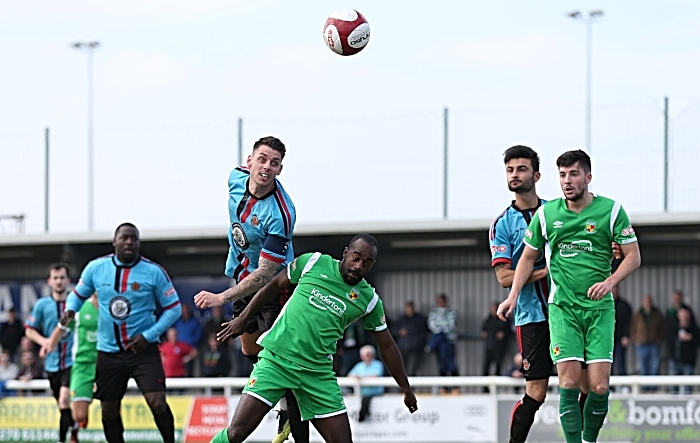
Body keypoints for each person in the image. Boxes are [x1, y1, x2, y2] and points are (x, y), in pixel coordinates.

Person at [209, 234, 418, 443]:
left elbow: (388, 346)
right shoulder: (313, 262)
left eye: (367, 263)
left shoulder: (369, 300)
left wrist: (406, 389)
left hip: (317, 374)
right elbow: (274, 285)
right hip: (276, 361)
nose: (359, 266)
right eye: (356, 258)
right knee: (236, 433)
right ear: (345, 253)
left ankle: (289, 418)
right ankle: (287, 416)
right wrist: (243, 319)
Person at [498, 149, 641, 443]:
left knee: (597, 387)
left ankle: (588, 439)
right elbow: (520, 263)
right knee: (556, 387)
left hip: (598, 310)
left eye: (573, 174)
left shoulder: (608, 211)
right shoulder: (533, 218)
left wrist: (611, 275)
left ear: (588, 177)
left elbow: (630, 254)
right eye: (562, 175)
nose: (567, 181)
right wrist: (513, 296)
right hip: (553, 310)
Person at [193, 136, 307, 443]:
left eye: (274, 163)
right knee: (249, 348)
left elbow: (266, 273)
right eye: (262, 159)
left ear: (281, 169)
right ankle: (282, 399)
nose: (267, 167)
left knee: (280, 359)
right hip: (242, 276)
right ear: (249, 161)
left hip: (275, 287)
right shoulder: (234, 178)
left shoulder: (281, 213)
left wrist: (220, 297)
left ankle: (293, 421)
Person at [61, 223, 182, 443]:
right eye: (124, 238)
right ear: (114, 241)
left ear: (139, 243)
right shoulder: (96, 268)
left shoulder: (153, 272)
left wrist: (148, 335)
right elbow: (78, 295)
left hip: (143, 350)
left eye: (133, 239)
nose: (128, 242)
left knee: (157, 402)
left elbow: (174, 308)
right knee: (108, 410)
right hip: (108, 352)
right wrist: (70, 309)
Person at [24, 263, 78, 443]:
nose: (59, 281)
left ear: (68, 280)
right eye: (55, 278)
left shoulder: (76, 303)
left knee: (64, 399)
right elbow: (29, 330)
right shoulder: (41, 305)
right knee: (62, 406)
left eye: (62, 278)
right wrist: (45, 342)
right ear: (49, 281)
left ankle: (62, 439)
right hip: (51, 363)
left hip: (73, 360)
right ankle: (74, 427)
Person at [41, 294, 99, 432]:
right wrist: (49, 344)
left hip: (106, 363)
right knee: (78, 415)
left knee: (111, 409)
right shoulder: (80, 309)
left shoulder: (114, 308)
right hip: (83, 366)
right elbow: (62, 327)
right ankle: (82, 418)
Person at [347, 344, 385, 422]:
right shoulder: (359, 366)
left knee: (365, 403)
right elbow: (349, 376)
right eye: (366, 355)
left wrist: (361, 377)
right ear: (362, 356)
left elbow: (375, 375)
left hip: (375, 394)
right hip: (362, 394)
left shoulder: (378, 364)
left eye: (369, 355)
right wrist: (356, 377)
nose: (368, 357)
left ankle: (363, 417)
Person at [630, 295, 664, 378]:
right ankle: (644, 389)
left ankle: (653, 388)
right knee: (643, 367)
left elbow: (662, 328)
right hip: (641, 344)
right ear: (642, 303)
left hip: (654, 344)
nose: (647, 304)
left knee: (654, 367)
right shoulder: (638, 314)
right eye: (646, 302)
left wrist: (659, 339)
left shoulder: (657, 314)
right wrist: (635, 339)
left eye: (649, 302)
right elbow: (632, 328)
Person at [426, 293, 459, 379]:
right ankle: (444, 387)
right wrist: (442, 327)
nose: (440, 303)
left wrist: (440, 328)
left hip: (449, 342)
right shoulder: (433, 312)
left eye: (441, 301)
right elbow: (431, 325)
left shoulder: (452, 311)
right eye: (438, 301)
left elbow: (452, 324)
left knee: (451, 363)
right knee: (441, 363)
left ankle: (455, 386)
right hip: (440, 345)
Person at [393, 301, 428, 376]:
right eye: (408, 308)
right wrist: (400, 332)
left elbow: (423, 331)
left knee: (413, 369)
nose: (409, 310)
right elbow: (394, 331)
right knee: (402, 368)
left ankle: (411, 386)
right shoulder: (401, 319)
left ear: (414, 308)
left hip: (415, 348)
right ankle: (402, 386)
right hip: (403, 347)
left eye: (411, 308)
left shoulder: (419, 319)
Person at [669, 308, 699, 393]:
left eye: (686, 315)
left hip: (688, 361)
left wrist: (691, 338)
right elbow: (668, 341)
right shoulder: (674, 327)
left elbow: (697, 342)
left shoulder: (694, 328)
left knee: (687, 386)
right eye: (682, 315)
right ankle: (673, 404)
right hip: (675, 360)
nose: (684, 318)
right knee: (674, 385)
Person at [665, 290, 696, 365]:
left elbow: (694, 329)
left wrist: (690, 336)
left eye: (678, 298)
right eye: (675, 298)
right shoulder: (670, 311)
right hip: (673, 350)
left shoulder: (687, 310)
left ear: (681, 299)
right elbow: (667, 328)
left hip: (687, 354)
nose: (676, 300)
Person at [481, 302, 511, 376]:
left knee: (498, 365)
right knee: (486, 366)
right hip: (489, 346)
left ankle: (497, 384)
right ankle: (485, 386)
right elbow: (483, 329)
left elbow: (508, 331)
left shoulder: (503, 320)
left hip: (499, 347)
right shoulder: (488, 320)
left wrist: (503, 333)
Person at [173, 304, 203, 376]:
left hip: (190, 349)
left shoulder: (195, 322)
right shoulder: (178, 322)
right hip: (179, 350)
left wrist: (187, 344)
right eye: (183, 311)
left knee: (190, 371)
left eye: (186, 310)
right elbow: (174, 334)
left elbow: (198, 336)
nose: (185, 312)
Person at [612, 285, 632, 376]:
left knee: (621, 361)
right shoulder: (605, 304)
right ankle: (609, 383)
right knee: (609, 361)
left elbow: (628, 322)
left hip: (620, 338)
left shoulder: (624, 305)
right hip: (608, 338)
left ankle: (623, 384)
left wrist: (626, 336)